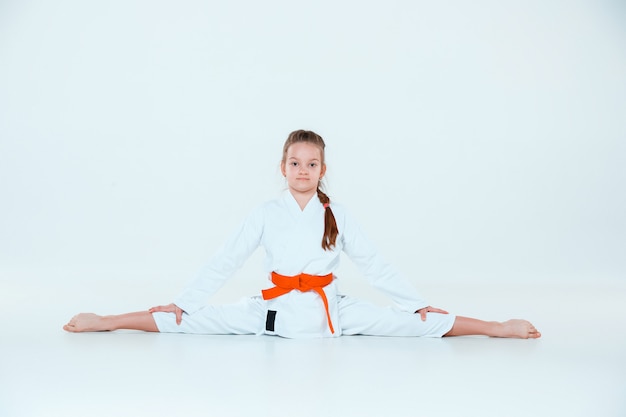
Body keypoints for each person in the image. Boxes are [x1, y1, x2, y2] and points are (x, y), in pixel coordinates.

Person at [63, 130, 541, 339]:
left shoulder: (336, 212)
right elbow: (226, 259)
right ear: (282, 166)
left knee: (417, 325)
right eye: (295, 162)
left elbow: (375, 262)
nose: (303, 170)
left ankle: (496, 327)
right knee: (186, 321)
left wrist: (416, 303)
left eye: (312, 164)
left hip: (331, 310)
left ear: (322, 169)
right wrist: (184, 302)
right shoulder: (266, 212)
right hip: (271, 311)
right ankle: (107, 320)